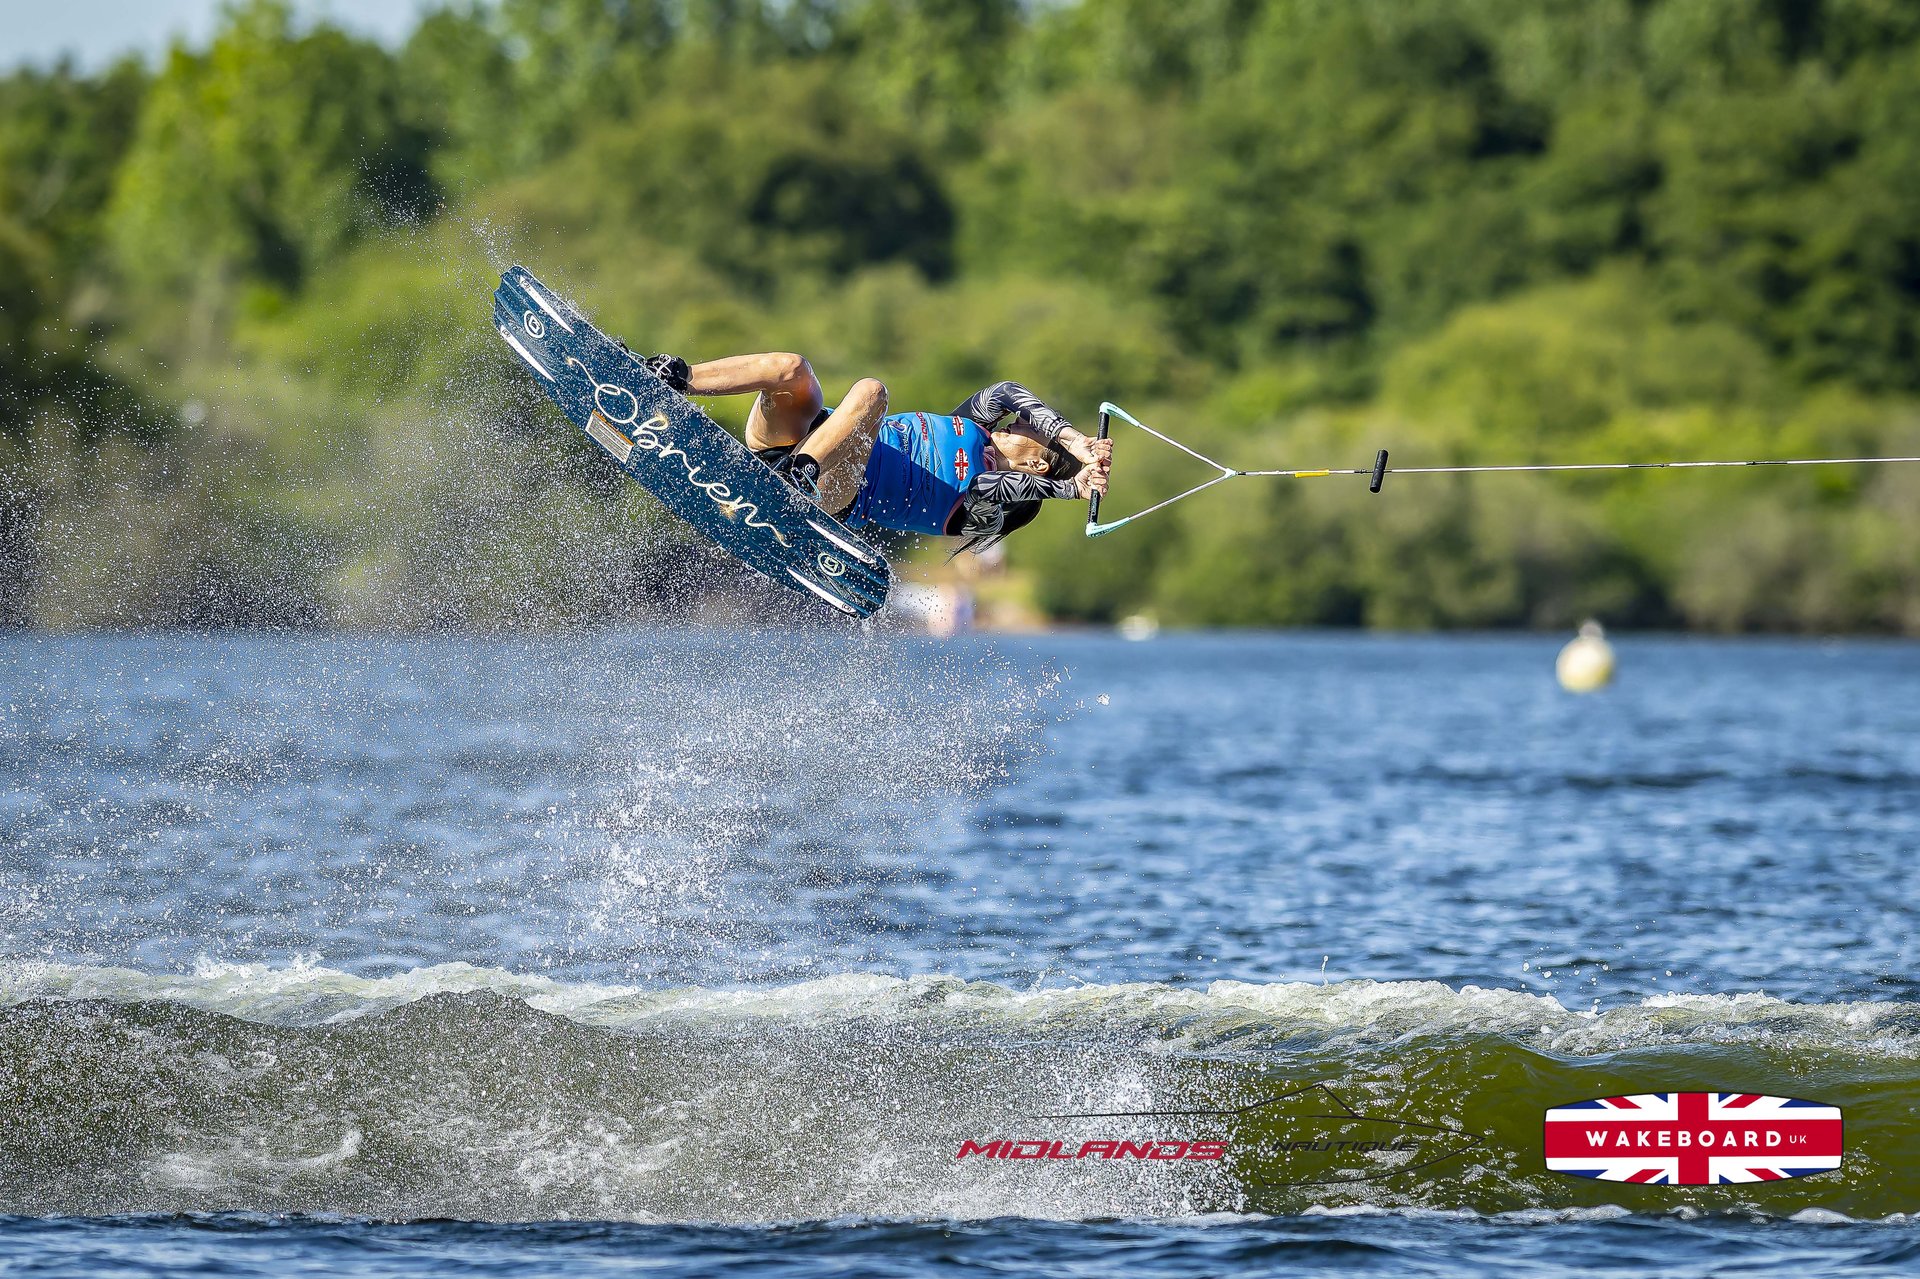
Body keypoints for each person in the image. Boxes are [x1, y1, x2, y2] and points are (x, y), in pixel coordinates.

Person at [640, 351, 1111, 553]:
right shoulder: (974, 425)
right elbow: (1007, 390)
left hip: (832, 493)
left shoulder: (985, 508)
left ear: (1038, 462)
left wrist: (1072, 488)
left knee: (872, 389)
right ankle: (669, 378)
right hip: (795, 445)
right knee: (791, 369)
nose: (1027, 420)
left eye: (1037, 431)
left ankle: (795, 479)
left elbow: (997, 486)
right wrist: (1073, 439)